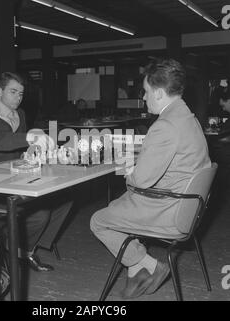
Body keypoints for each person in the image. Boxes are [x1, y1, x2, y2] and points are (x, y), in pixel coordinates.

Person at [90, 58, 211, 299]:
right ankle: (136, 270)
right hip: (189, 207)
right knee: (119, 205)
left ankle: (150, 265)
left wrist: (129, 169)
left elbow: (142, 181)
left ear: (157, 93)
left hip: (168, 210)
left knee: (99, 220)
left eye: (145, 92)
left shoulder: (165, 126)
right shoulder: (189, 118)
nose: (144, 98)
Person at [0, 72, 73, 272]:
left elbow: (20, 150)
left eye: (21, 93)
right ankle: (12, 249)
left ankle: (24, 248)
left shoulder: (20, 115)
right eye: (13, 91)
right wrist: (29, 137)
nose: (18, 97)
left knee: (64, 200)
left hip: (13, 175)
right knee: (40, 214)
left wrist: (39, 151)